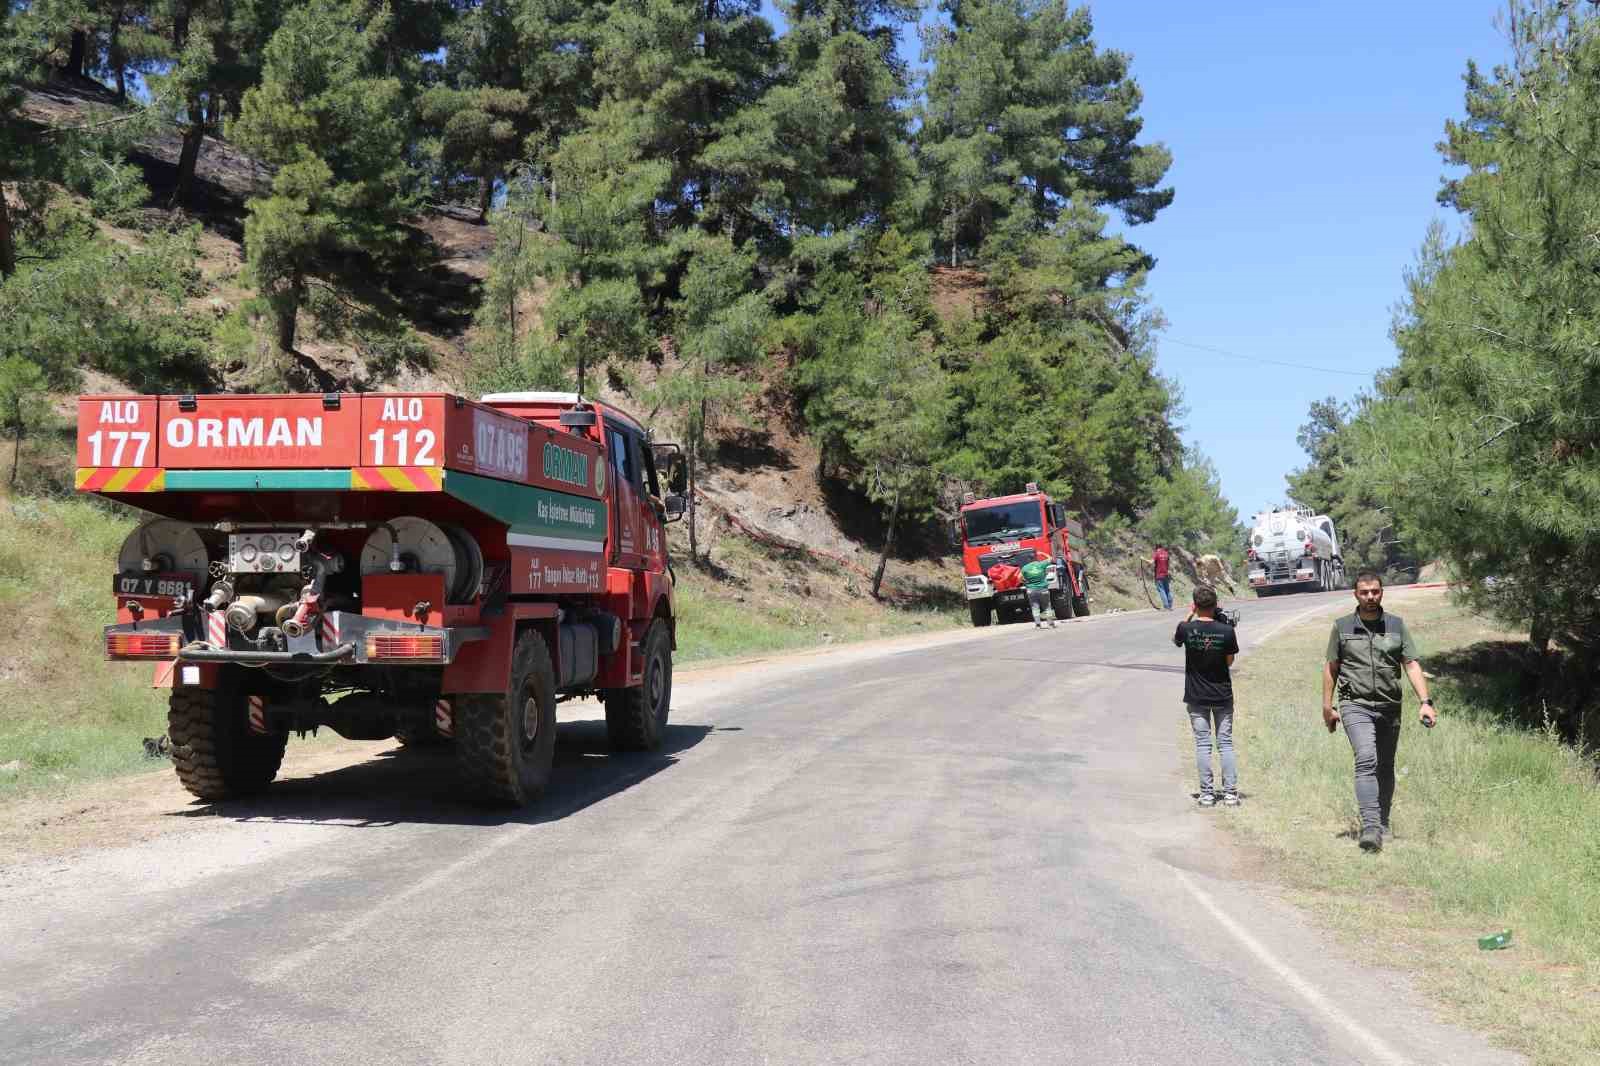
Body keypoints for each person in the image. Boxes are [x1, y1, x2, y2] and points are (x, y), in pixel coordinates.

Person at [1322, 569, 1436, 852]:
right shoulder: (1343, 626)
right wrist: (1328, 706)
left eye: (1375, 592)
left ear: (1382, 592)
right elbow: (1331, 667)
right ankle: (1370, 828)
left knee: (1385, 766)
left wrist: (1425, 702)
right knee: (1366, 759)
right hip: (1354, 704)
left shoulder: (1396, 626)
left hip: (1389, 705)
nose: (1370, 597)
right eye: (1364, 592)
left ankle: (1382, 822)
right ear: (1356, 595)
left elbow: (1410, 663)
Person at [1173, 585, 1240, 807]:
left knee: (1203, 744)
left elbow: (1176, 639)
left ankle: (1207, 794)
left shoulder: (1186, 628)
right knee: (1225, 744)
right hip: (1222, 694)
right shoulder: (1227, 631)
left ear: (1195, 605)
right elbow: (1229, 661)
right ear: (1215, 604)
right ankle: (1230, 793)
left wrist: (1190, 613)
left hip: (1196, 695)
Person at [1020, 552, 1057, 629]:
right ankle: (1050, 624)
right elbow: (1051, 559)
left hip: (1031, 590)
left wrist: (1025, 582)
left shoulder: (1025, 568)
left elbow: (1019, 578)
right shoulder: (1041, 564)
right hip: (1043, 589)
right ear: (1035, 558)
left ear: (1028, 559)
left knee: (1035, 607)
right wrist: (1042, 553)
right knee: (1047, 607)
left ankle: (1038, 625)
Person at [1153, 544, 1173, 610]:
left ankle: (1166, 606)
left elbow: (1151, 562)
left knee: (1162, 590)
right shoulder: (1166, 554)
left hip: (1159, 575)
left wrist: (1143, 559)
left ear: (1156, 548)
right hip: (1166, 575)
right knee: (1167, 590)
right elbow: (1168, 565)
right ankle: (1170, 605)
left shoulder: (1156, 553)